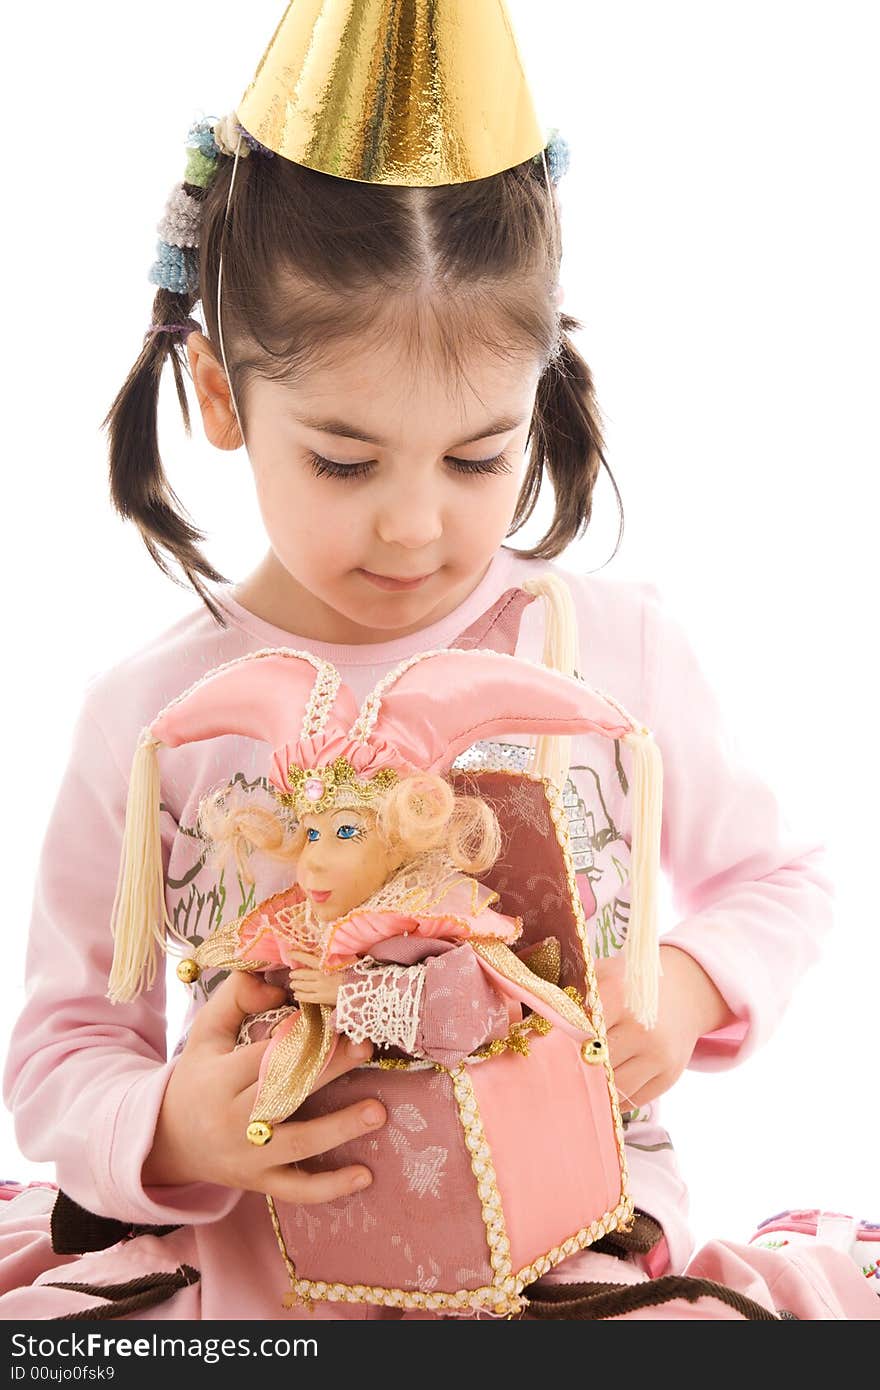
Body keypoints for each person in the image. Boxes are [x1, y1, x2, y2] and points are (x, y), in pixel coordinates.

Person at [0, 0, 840, 1321]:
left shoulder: (608, 651)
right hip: (257, 1279)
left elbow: (780, 879)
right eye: (344, 458)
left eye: (474, 456)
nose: (414, 524)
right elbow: (64, 1041)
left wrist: (681, 986)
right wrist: (176, 1119)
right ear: (223, 395)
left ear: (540, 395)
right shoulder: (159, 718)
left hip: (562, 1269)